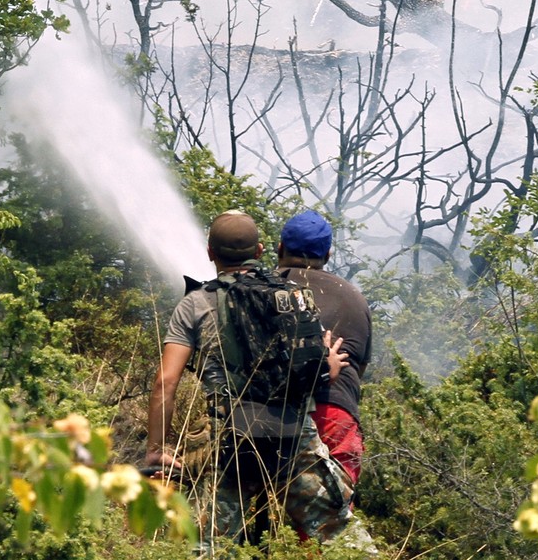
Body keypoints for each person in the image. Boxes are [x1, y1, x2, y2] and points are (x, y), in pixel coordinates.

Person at [145, 210, 354, 546]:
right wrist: (329, 364)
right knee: (341, 540)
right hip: (294, 438)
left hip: (230, 442)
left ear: (210, 252)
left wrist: (156, 450)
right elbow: (317, 371)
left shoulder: (195, 304)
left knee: (214, 548)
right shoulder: (295, 296)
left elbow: (165, 383)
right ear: (259, 251)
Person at [276, 209, 372, 488]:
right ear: (327, 255)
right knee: (334, 505)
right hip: (334, 414)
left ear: (280, 248)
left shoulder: (261, 288)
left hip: (266, 412)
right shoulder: (354, 298)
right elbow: (359, 369)